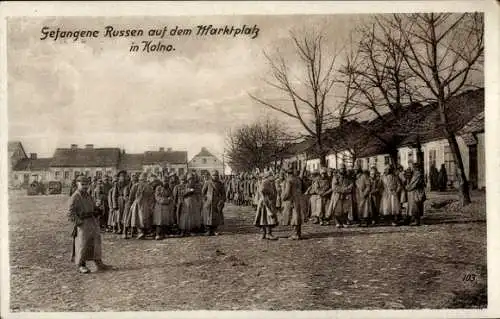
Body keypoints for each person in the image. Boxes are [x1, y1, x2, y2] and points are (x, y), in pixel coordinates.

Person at [68, 176, 113, 274]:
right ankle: (81, 264)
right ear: (77, 184)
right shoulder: (75, 196)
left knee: (96, 242)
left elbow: (93, 206)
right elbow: (70, 213)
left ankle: (98, 262)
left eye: (86, 184)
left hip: (92, 221)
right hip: (83, 223)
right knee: (83, 244)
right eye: (82, 184)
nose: (85, 186)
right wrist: (79, 222)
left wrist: (97, 209)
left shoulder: (88, 195)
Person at [130, 172, 155, 239]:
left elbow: (131, 196)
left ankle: (140, 232)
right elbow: (151, 197)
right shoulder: (148, 186)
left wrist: (131, 203)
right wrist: (150, 205)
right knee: (143, 218)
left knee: (139, 218)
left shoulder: (137, 186)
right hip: (143, 204)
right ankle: (141, 232)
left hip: (139, 203)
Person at [254, 171, 278, 240]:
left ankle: (265, 233)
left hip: (267, 201)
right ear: (268, 176)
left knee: (264, 218)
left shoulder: (270, 182)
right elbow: (261, 191)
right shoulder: (266, 182)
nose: (273, 177)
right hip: (265, 202)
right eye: (272, 176)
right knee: (266, 218)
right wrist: (265, 198)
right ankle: (267, 233)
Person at [281, 168, 304, 240]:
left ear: (287, 173)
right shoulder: (298, 179)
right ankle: (298, 233)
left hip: (292, 200)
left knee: (294, 216)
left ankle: (296, 234)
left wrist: (283, 198)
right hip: (299, 199)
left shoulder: (288, 180)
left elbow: (287, 192)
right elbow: (304, 188)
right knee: (298, 215)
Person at [201, 170, 226, 236]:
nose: (215, 177)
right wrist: (205, 200)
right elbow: (203, 192)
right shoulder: (207, 183)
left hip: (216, 202)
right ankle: (209, 230)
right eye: (214, 175)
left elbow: (223, 194)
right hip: (208, 202)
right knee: (208, 216)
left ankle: (215, 230)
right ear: (211, 176)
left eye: (216, 175)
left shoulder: (220, 184)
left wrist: (222, 200)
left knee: (216, 216)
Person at [152, 174, 175, 240]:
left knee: (165, 220)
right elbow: (157, 197)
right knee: (159, 221)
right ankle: (158, 234)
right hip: (159, 206)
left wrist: (170, 199)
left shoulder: (169, 189)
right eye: (164, 181)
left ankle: (163, 233)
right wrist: (166, 200)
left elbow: (171, 196)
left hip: (166, 207)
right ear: (162, 181)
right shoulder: (158, 188)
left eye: (166, 181)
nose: (165, 182)